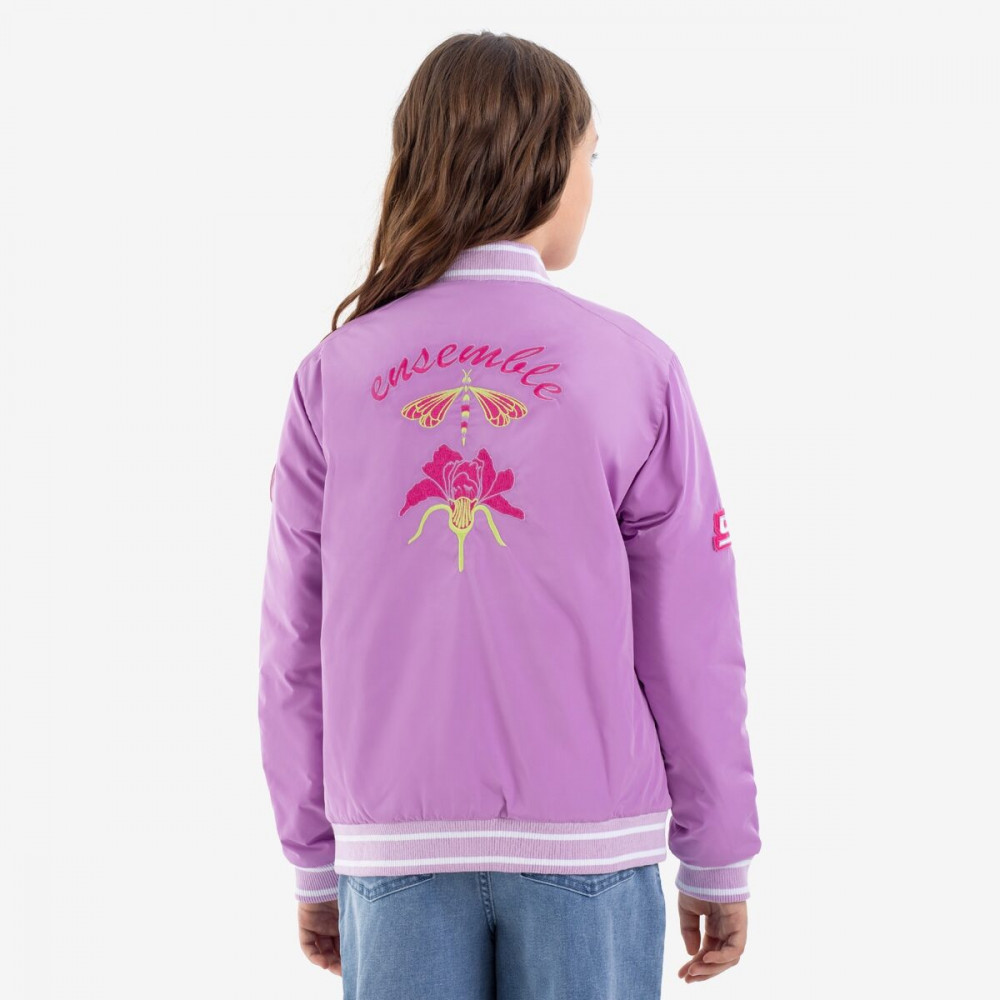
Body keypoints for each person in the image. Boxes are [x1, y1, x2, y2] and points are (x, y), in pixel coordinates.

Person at [257, 30, 761, 1000]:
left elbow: (293, 648)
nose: (592, 185)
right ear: (544, 166)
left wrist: (313, 856)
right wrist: (719, 851)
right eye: (591, 156)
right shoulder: (631, 365)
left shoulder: (335, 372)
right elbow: (691, 635)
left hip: (392, 851)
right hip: (589, 848)